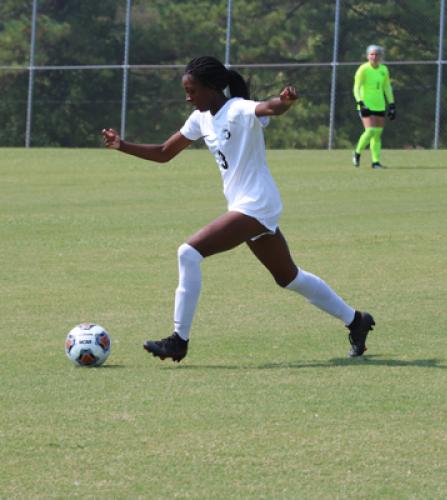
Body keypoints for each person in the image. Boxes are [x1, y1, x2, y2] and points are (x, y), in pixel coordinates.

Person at [102, 55, 375, 363]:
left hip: (256, 204)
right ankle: (356, 320)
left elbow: (269, 107)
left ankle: (179, 339)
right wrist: (122, 145)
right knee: (289, 277)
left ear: (212, 88)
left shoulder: (238, 109)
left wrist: (285, 101)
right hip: (247, 206)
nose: (187, 97)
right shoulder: (201, 119)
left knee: (188, 253)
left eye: (192, 90)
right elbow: (165, 152)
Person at [352, 45, 396, 169]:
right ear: (367, 56)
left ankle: (375, 162)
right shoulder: (363, 69)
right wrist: (360, 102)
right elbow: (356, 87)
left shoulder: (384, 70)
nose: (374, 57)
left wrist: (392, 104)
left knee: (377, 133)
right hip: (366, 104)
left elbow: (386, 87)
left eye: (376, 54)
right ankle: (357, 153)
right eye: (371, 54)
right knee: (370, 130)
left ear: (381, 56)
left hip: (380, 104)